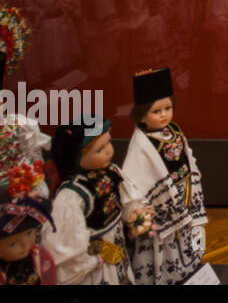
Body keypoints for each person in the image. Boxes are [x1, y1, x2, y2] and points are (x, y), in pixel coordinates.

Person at [121, 68, 207, 284]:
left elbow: (187, 154)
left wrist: (193, 171)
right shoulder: (141, 144)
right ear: (141, 113)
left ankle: (187, 268)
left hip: (183, 195)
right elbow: (133, 177)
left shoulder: (174, 131)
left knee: (184, 238)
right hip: (162, 204)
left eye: (168, 108)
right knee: (164, 245)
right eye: (156, 111)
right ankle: (165, 275)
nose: (164, 115)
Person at [45, 116, 151, 285]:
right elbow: (67, 244)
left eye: (108, 143)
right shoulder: (72, 194)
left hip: (116, 247)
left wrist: (134, 214)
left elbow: (127, 198)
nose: (109, 151)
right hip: (96, 262)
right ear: (76, 157)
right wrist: (94, 258)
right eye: (99, 150)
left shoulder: (112, 172)